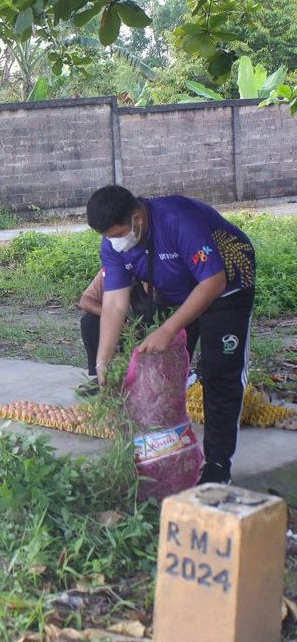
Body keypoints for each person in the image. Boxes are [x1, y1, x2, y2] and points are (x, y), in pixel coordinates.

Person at [86, 184, 256, 485]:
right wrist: (102, 361)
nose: (113, 243)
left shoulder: (179, 219)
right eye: (106, 237)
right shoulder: (113, 245)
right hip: (177, 291)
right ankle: (169, 456)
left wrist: (168, 328)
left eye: (115, 234)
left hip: (226, 286)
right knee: (158, 369)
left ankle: (217, 465)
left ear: (137, 218)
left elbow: (212, 282)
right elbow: (113, 302)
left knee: (219, 372)